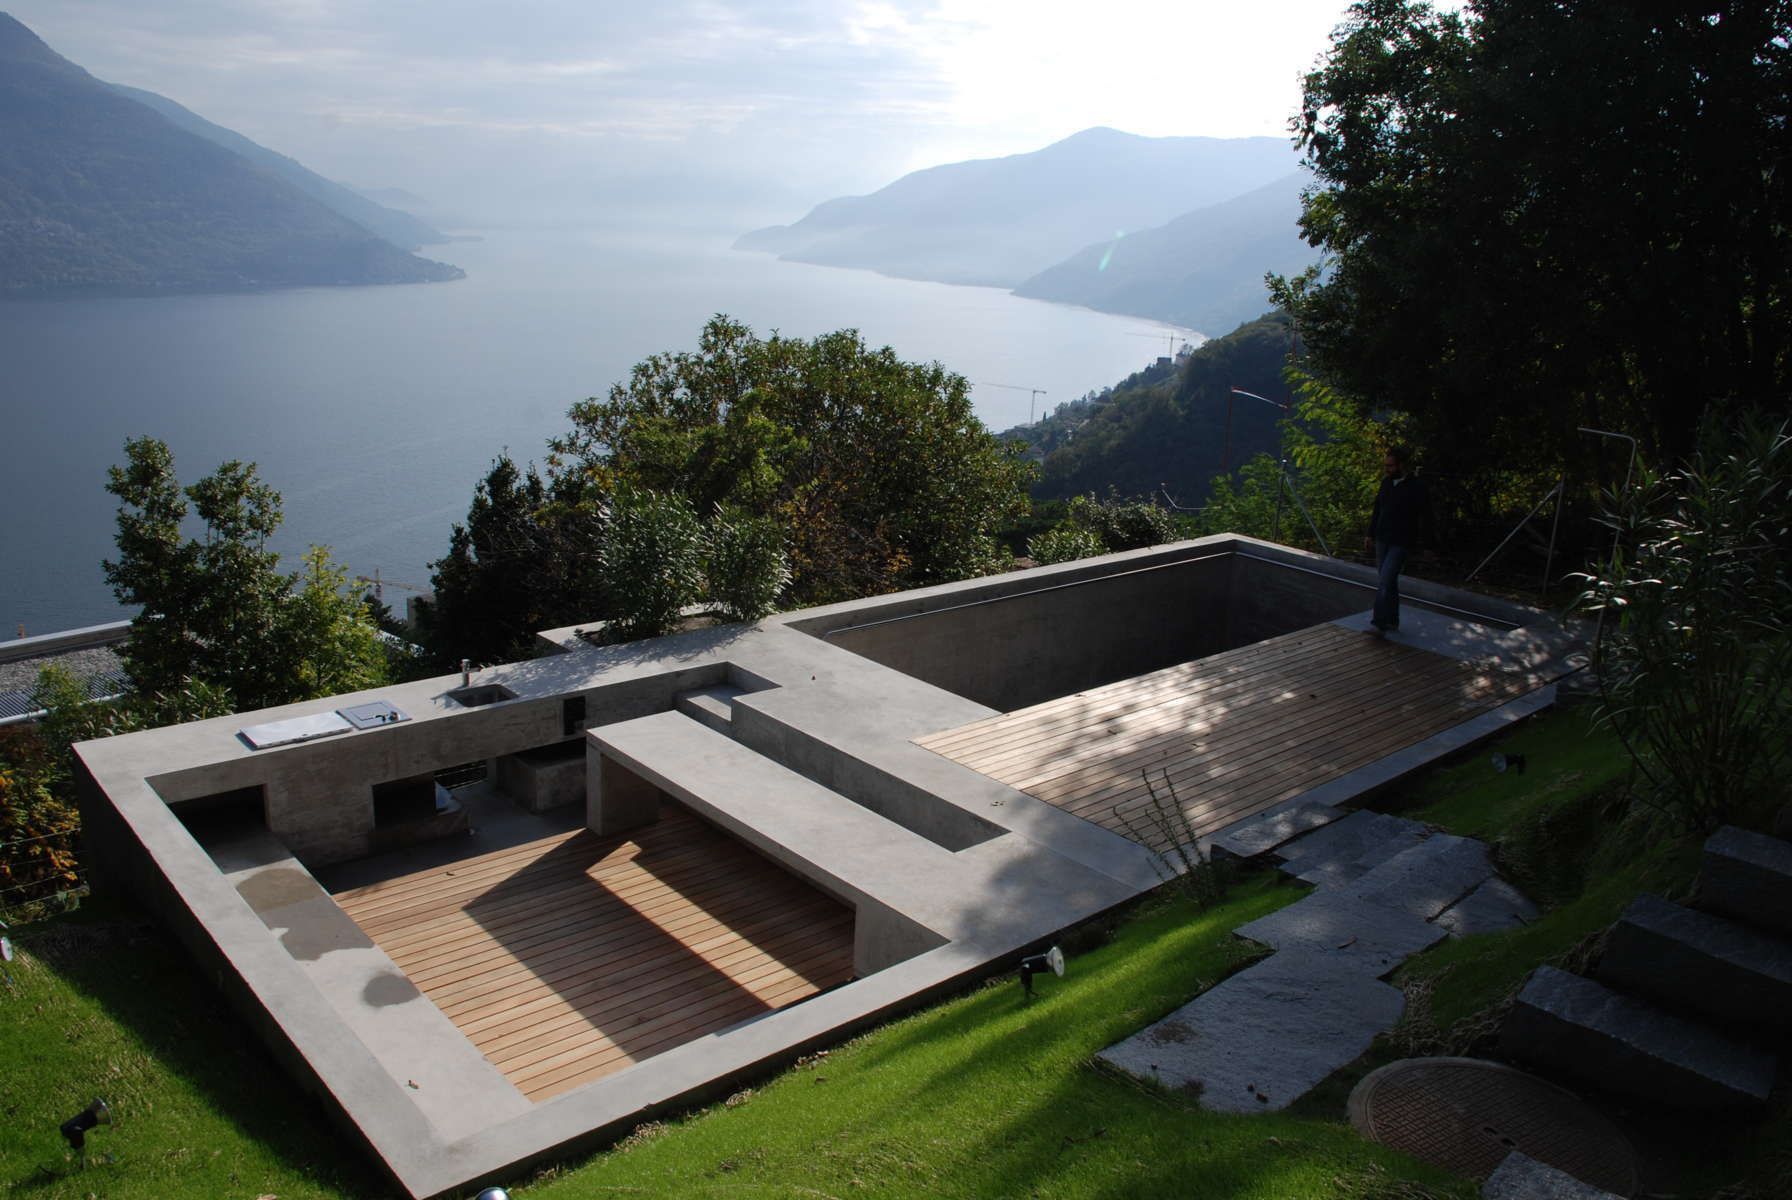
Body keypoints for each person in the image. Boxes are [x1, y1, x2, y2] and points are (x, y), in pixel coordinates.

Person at [1364, 445, 1427, 635]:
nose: (1387, 469)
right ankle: (1392, 620)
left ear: (1401, 465)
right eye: (1386, 466)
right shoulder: (1386, 484)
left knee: (1385, 580)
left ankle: (1379, 623)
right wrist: (1370, 534)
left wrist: (1428, 545)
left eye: (1390, 466)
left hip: (1401, 541)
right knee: (1388, 581)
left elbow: (1425, 516)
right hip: (1383, 538)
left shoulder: (1416, 487)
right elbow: (1378, 510)